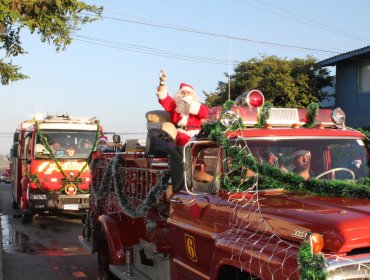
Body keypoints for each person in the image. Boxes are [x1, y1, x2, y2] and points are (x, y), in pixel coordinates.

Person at [156, 70, 210, 146]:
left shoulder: (198, 106)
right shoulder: (174, 105)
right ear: (179, 94)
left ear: (193, 95)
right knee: (182, 139)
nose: (185, 94)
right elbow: (163, 97)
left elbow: (207, 114)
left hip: (197, 134)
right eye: (183, 92)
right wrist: (162, 82)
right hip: (181, 133)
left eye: (188, 93)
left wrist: (191, 105)